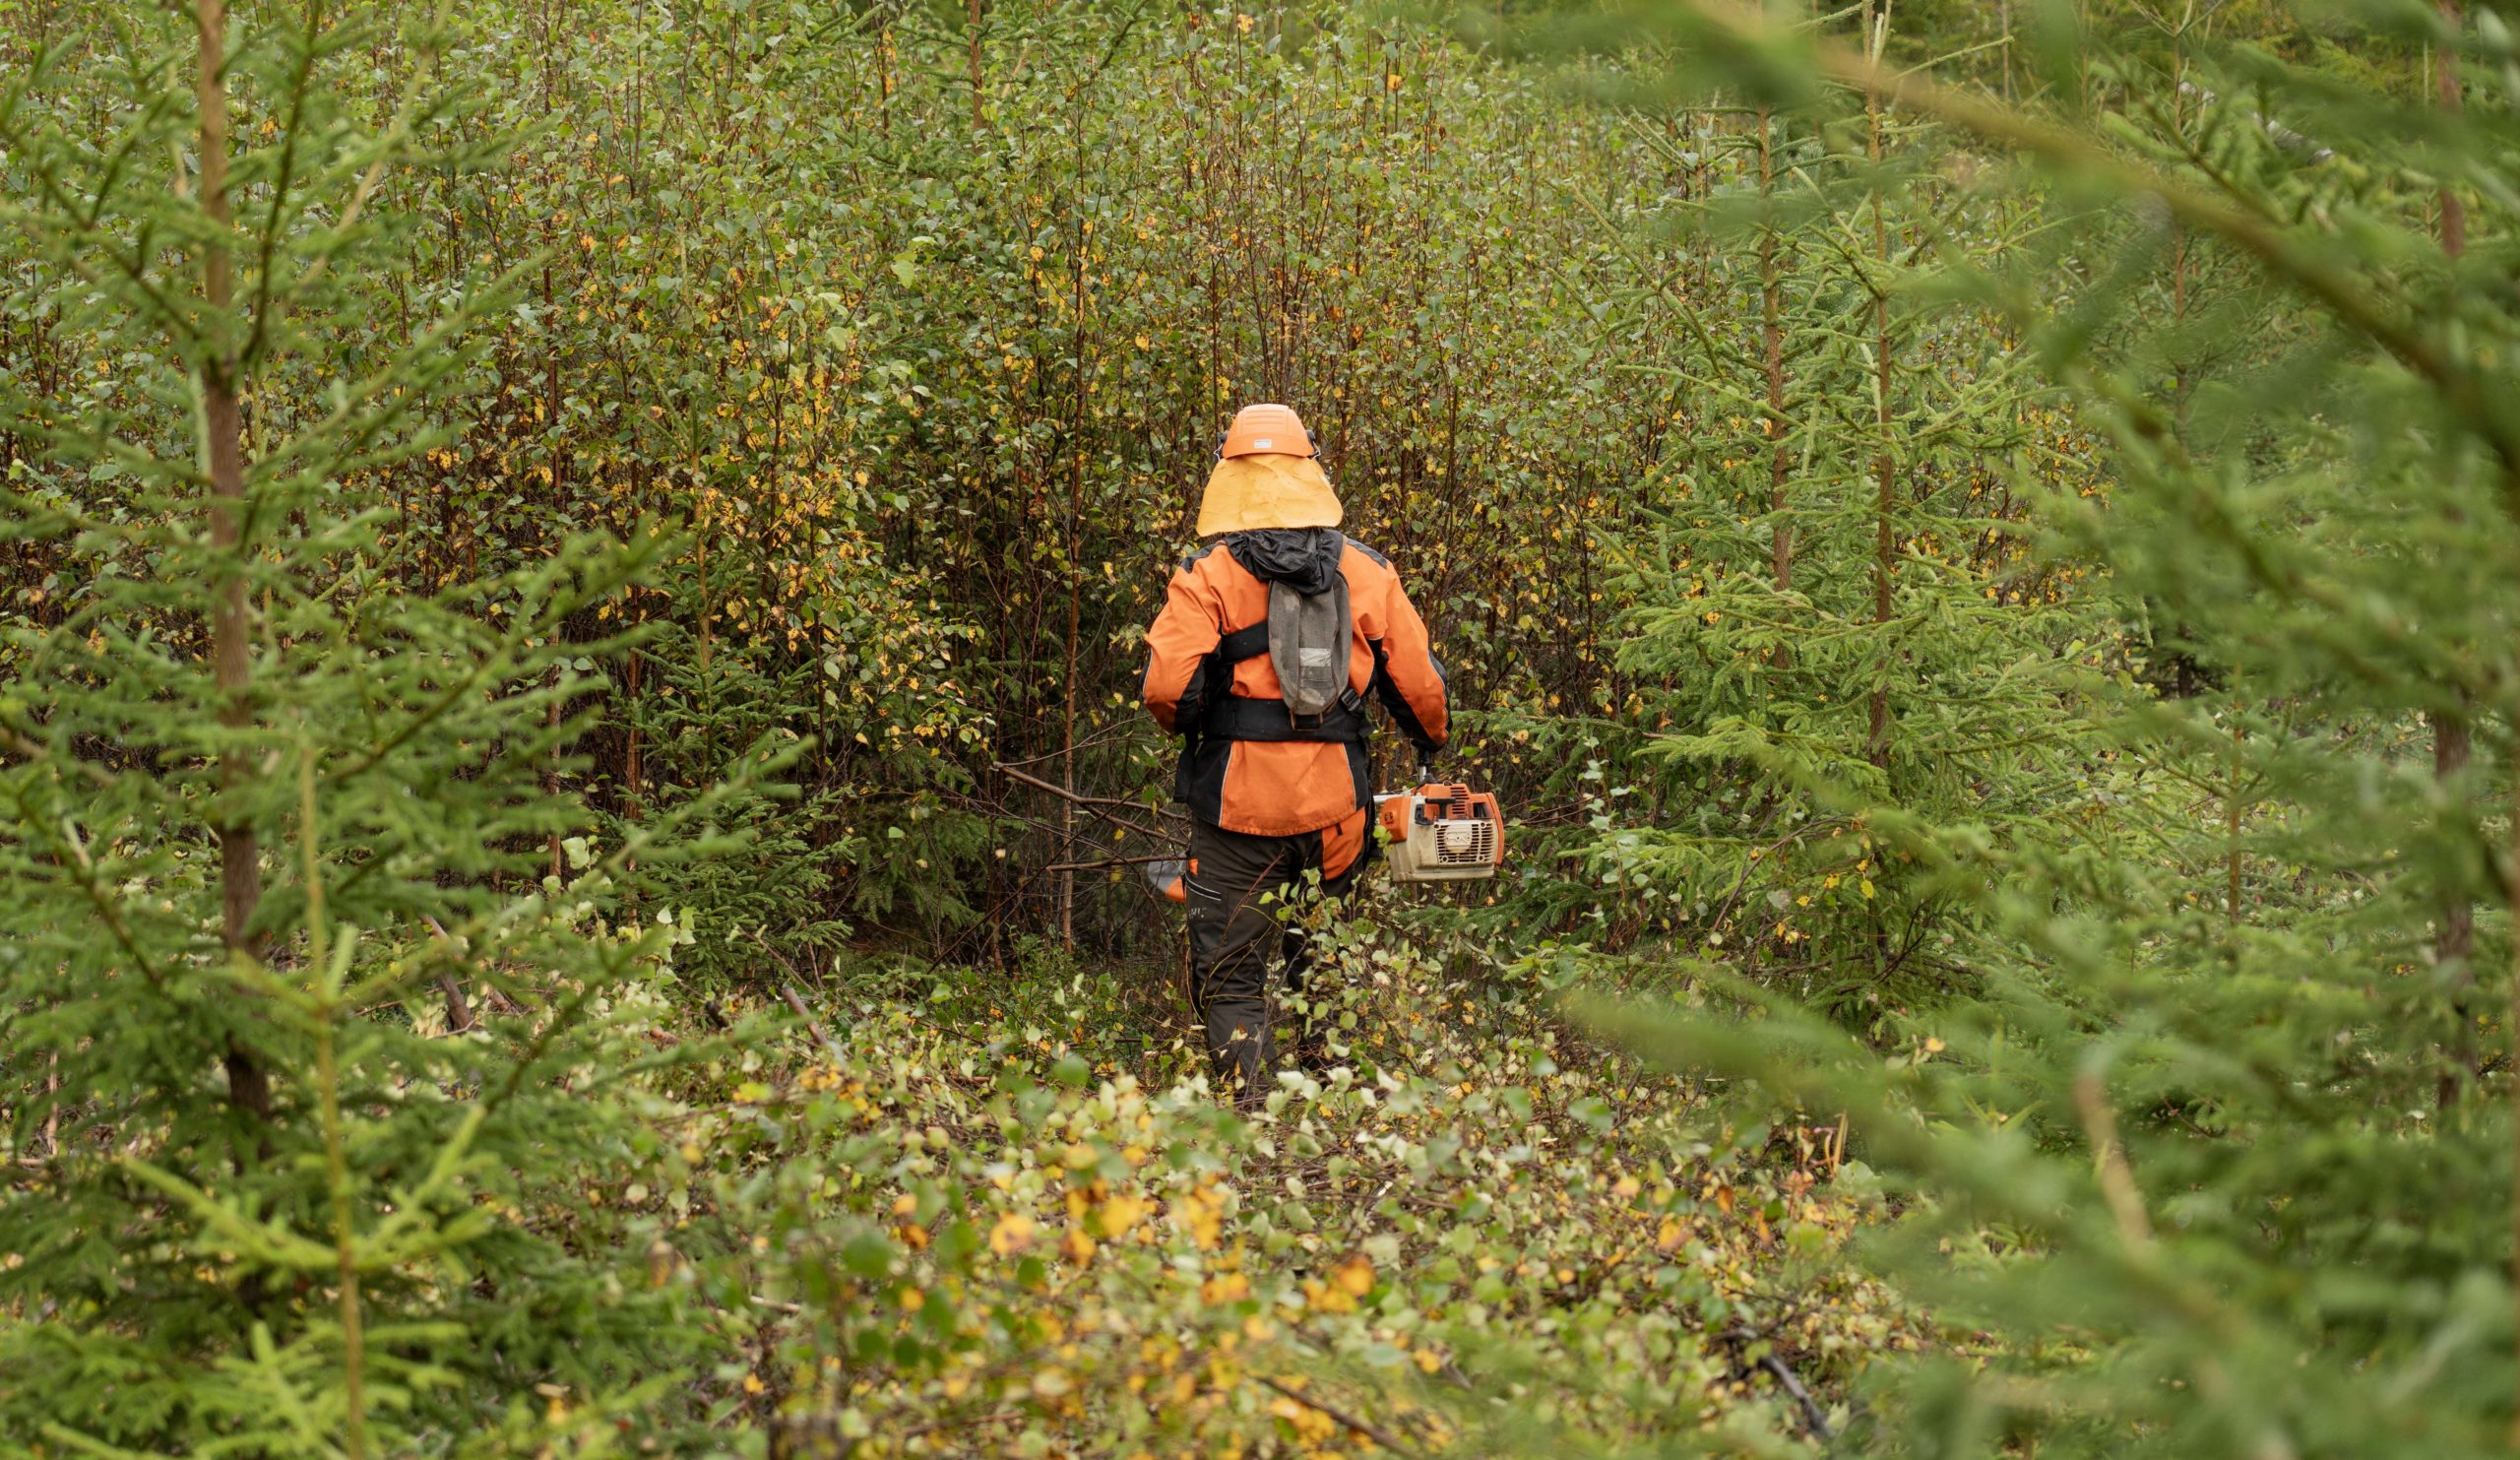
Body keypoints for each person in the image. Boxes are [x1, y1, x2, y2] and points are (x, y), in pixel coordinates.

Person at [1140, 403, 1449, 1103]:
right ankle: (1329, 1116)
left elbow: (1166, 687)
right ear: (1312, 468)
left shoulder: (1208, 576)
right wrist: (1432, 745)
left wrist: (1198, 716)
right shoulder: (1367, 573)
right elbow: (1424, 692)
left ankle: (1250, 1129)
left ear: (1228, 473)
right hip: (1337, 820)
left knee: (1233, 980)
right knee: (1325, 969)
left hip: (1237, 817)